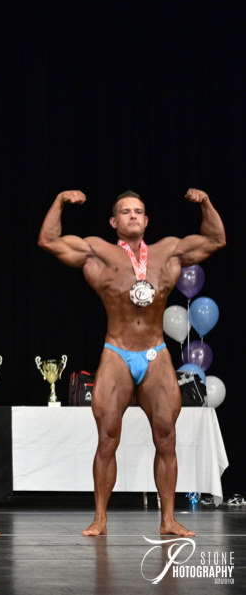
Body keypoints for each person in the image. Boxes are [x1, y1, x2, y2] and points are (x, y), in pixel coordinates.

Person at [38, 189, 226, 536]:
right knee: (107, 438)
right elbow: (49, 241)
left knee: (166, 438)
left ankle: (168, 519)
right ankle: (100, 519)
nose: (133, 216)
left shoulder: (169, 251)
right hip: (117, 352)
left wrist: (205, 204)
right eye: (125, 212)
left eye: (138, 211)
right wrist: (60, 201)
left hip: (156, 353)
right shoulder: (99, 251)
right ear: (114, 221)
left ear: (147, 220)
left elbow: (216, 240)